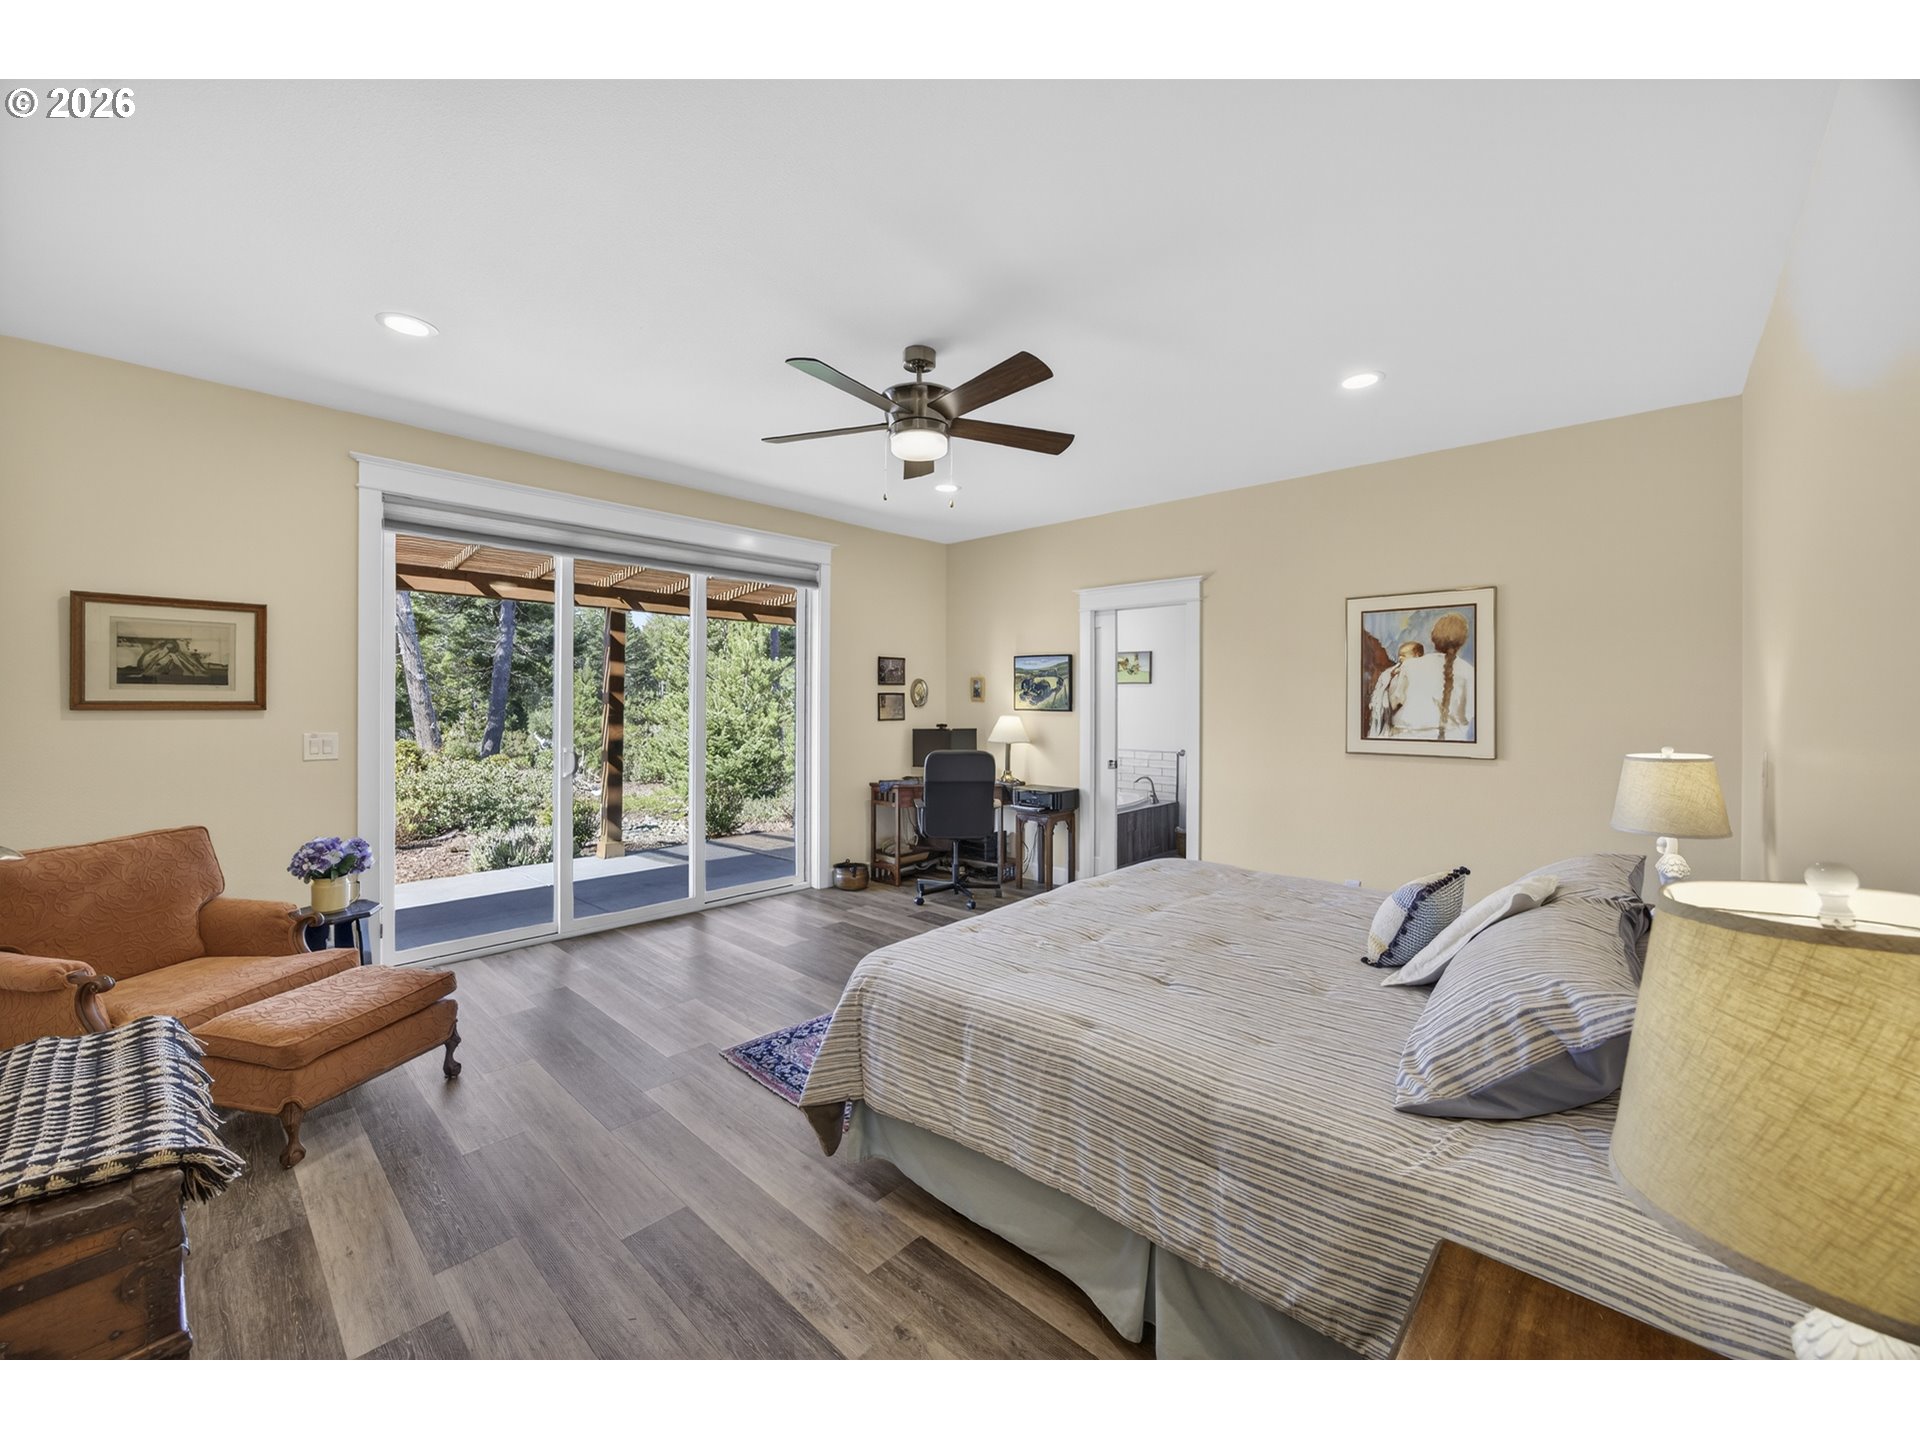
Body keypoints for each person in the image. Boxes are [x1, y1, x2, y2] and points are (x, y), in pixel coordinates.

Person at [1385, 613, 1474, 741]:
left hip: (1405, 738)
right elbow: (1468, 715)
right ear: (1462, 641)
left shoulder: (1409, 666)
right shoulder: (1469, 672)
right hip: (1453, 741)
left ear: (1434, 638)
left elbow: (1394, 702)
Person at [1368, 640, 1423, 736]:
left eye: (1404, 655)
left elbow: (1396, 700)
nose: (1400, 658)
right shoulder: (1393, 673)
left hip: (1410, 723)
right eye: (1399, 655)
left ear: (1417, 655)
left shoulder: (1413, 673)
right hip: (1399, 722)